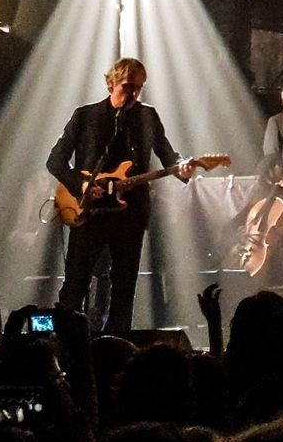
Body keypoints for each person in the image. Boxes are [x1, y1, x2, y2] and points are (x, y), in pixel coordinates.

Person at [47, 57, 194, 335]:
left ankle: (119, 344)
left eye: (139, 87)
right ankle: (66, 342)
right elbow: (55, 161)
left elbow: (167, 155)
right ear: (111, 83)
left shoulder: (147, 117)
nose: (134, 93)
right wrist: (82, 185)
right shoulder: (85, 116)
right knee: (76, 283)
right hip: (89, 211)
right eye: (128, 86)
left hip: (130, 213)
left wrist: (182, 167)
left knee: (124, 286)